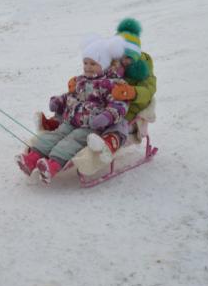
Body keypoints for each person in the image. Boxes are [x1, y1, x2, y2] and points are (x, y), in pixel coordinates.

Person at [35, 18, 157, 164]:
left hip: (128, 111)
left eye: (128, 58)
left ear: (135, 56)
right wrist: (78, 83)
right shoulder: (113, 64)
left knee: (117, 125)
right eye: (121, 56)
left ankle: (105, 145)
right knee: (76, 103)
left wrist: (132, 92)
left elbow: (149, 90)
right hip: (101, 107)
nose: (124, 60)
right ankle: (56, 123)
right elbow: (95, 75)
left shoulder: (143, 71)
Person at [15, 35, 129, 183]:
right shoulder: (81, 80)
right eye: (85, 63)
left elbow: (120, 105)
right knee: (55, 135)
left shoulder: (112, 84)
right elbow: (71, 95)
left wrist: (106, 116)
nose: (87, 67)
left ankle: (52, 166)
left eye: (93, 64)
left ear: (105, 65)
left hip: (91, 126)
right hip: (71, 121)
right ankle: (31, 160)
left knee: (71, 141)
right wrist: (59, 101)